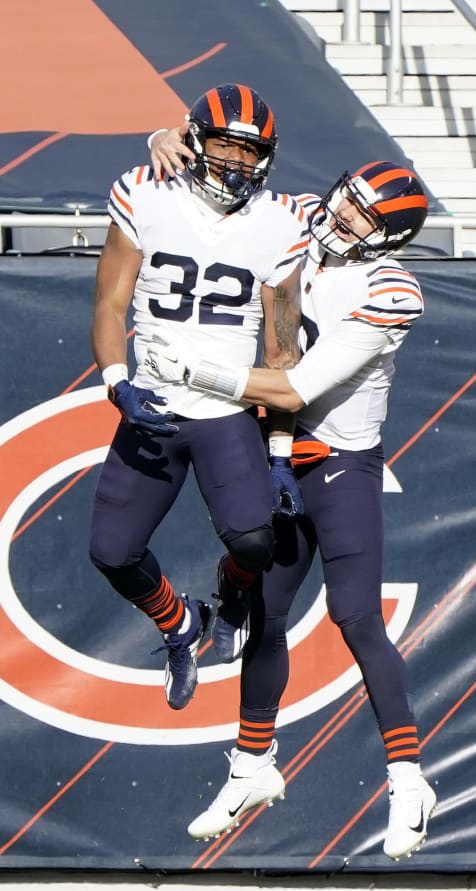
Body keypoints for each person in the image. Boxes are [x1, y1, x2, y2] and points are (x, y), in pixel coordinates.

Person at [143, 150, 437, 860]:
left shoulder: (391, 289)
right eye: (346, 197)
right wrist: (173, 136)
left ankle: (409, 781)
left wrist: (198, 371)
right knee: (266, 613)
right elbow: (224, 191)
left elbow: (295, 389)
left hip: (337, 462)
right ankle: (251, 766)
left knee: (356, 616)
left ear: (387, 234)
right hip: (276, 451)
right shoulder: (303, 216)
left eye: (363, 214)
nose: (341, 215)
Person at [89, 83, 307, 711]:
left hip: (226, 411)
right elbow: (109, 301)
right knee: (111, 551)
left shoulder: (284, 220)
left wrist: (281, 451)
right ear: (194, 138)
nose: (237, 162)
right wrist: (115, 381)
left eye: (250, 152)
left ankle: (228, 590)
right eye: (224, 145)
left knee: (256, 545)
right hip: (154, 400)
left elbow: (282, 348)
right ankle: (180, 622)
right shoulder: (145, 190)